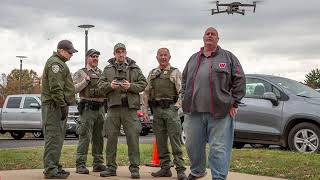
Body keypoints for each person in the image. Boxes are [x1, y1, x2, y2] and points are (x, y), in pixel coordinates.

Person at [181, 27, 246, 180]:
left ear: (218, 39)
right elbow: (184, 80)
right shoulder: (193, 58)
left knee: (218, 148)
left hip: (220, 112)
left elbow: (240, 80)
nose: (210, 36)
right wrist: (184, 96)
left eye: (213, 34)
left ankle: (218, 177)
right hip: (193, 112)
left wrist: (234, 103)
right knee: (192, 145)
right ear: (203, 37)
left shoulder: (228, 57)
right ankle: (198, 171)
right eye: (207, 33)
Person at [98, 43, 147, 179]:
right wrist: (110, 86)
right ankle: (111, 168)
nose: (120, 54)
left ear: (126, 53)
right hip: (113, 108)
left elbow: (143, 84)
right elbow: (101, 85)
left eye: (122, 52)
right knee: (111, 138)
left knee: (133, 138)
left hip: (130, 109)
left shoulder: (134, 68)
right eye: (118, 52)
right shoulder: (107, 69)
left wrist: (130, 86)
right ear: (114, 53)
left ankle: (135, 169)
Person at [142, 48, 187, 180]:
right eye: (160, 55)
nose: (163, 57)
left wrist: (177, 107)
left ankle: (180, 170)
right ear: (157, 57)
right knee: (161, 141)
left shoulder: (175, 72)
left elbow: (182, 92)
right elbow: (146, 93)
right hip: (157, 112)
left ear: (169, 57)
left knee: (175, 141)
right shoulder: (152, 73)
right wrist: (145, 111)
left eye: (165, 55)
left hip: (171, 111)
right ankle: (165, 168)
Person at [41, 40, 78, 179]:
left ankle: (54, 166)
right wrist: (62, 105)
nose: (71, 55)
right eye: (70, 52)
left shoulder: (60, 63)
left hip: (57, 105)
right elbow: (55, 87)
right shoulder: (55, 64)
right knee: (53, 137)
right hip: (53, 106)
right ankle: (50, 169)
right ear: (61, 50)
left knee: (58, 138)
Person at [73, 49, 106, 174]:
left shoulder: (102, 73)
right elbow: (73, 89)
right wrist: (85, 81)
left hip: (101, 108)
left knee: (99, 137)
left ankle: (98, 163)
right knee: (85, 136)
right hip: (87, 108)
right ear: (87, 58)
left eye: (97, 56)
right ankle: (80, 164)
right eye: (93, 56)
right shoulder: (81, 72)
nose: (95, 58)